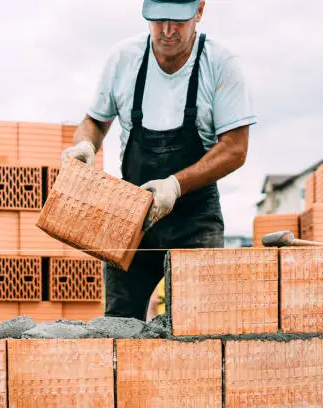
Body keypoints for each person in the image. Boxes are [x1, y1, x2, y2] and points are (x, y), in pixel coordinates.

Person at [62, 0, 256, 321]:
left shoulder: (220, 64)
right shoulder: (124, 59)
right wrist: (86, 145)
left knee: (198, 327)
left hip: (195, 222)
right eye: (158, 20)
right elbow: (95, 122)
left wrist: (175, 186)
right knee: (120, 327)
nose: (167, 31)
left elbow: (236, 148)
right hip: (131, 220)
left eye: (177, 21)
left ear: (200, 11)